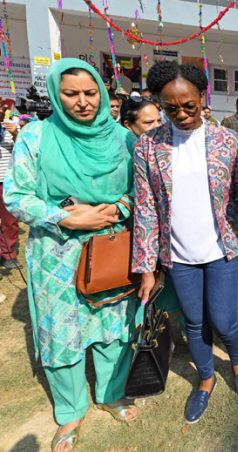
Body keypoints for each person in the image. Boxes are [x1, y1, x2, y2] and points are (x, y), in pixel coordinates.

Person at [4, 58, 139, 452]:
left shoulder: (122, 139)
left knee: (113, 324)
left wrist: (118, 210)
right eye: (71, 94)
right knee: (61, 333)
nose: (82, 102)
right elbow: (16, 195)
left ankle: (112, 393)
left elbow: (141, 191)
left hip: (111, 248)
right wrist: (65, 217)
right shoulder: (37, 136)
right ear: (56, 96)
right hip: (56, 252)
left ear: (102, 92)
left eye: (90, 93)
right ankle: (70, 411)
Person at [131, 61, 238, 424]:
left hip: (224, 250)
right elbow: (145, 208)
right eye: (171, 108)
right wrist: (147, 269)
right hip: (178, 255)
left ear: (203, 97)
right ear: (160, 105)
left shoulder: (229, 141)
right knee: (195, 322)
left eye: (189, 105)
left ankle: (237, 362)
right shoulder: (148, 148)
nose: (182, 114)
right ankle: (205, 377)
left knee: (225, 319)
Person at [0, 98, 20, 269]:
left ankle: (8, 254)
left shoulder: (11, 124)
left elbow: (26, 148)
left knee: (10, 220)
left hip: (6, 180)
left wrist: (16, 134)